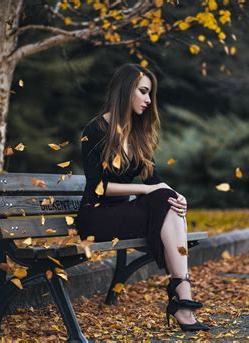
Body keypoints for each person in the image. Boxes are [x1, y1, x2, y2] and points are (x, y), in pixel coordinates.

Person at [75, 63, 210, 332]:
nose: (149, 100)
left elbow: (154, 179)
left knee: (169, 199)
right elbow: (98, 186)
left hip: (121, 215)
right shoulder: (95, 130)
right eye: (144, 92)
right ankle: (183, 296)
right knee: (160, 197)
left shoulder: (137, 135)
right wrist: (147, 190)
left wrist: (177, 195)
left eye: (150, 94)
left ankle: (183, 298)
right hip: (95, 217)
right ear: (126, 90)